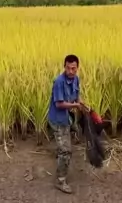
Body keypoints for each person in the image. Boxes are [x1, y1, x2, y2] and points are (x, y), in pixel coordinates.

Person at [48, 54, 87, 194]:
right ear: (64, 67)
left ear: (77, 68)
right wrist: (75, 105)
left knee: (64, 146)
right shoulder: (59, 82)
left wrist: (81, 103)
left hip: (66, 118)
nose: (71, 71)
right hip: (58, 120)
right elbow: (59, 104)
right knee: (66, 151)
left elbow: (76, 95)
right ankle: (60, 180)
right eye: (68, 68)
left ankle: (59, 154)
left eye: (73, 68)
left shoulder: (76, 79)